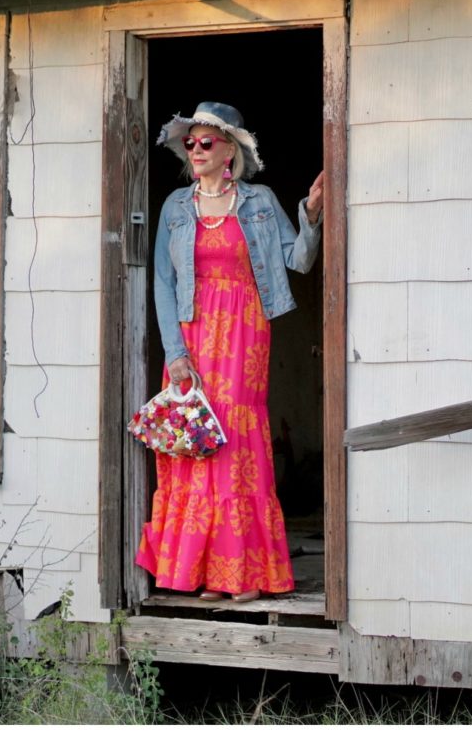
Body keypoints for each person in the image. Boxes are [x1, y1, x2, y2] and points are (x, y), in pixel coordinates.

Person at [135, 101, 323, 603]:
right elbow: (163, 282)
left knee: (236, 439)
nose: (195, 150)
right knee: (194, 438)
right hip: (192, 333)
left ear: (229, 151)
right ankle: (200, 572)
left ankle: (242, 574)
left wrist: (311, 214)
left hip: (244, 328)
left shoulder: (259, 201)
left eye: (206, 142)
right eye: (190, 143)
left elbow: (297, 260)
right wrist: (174, 351)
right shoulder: (176, 208)